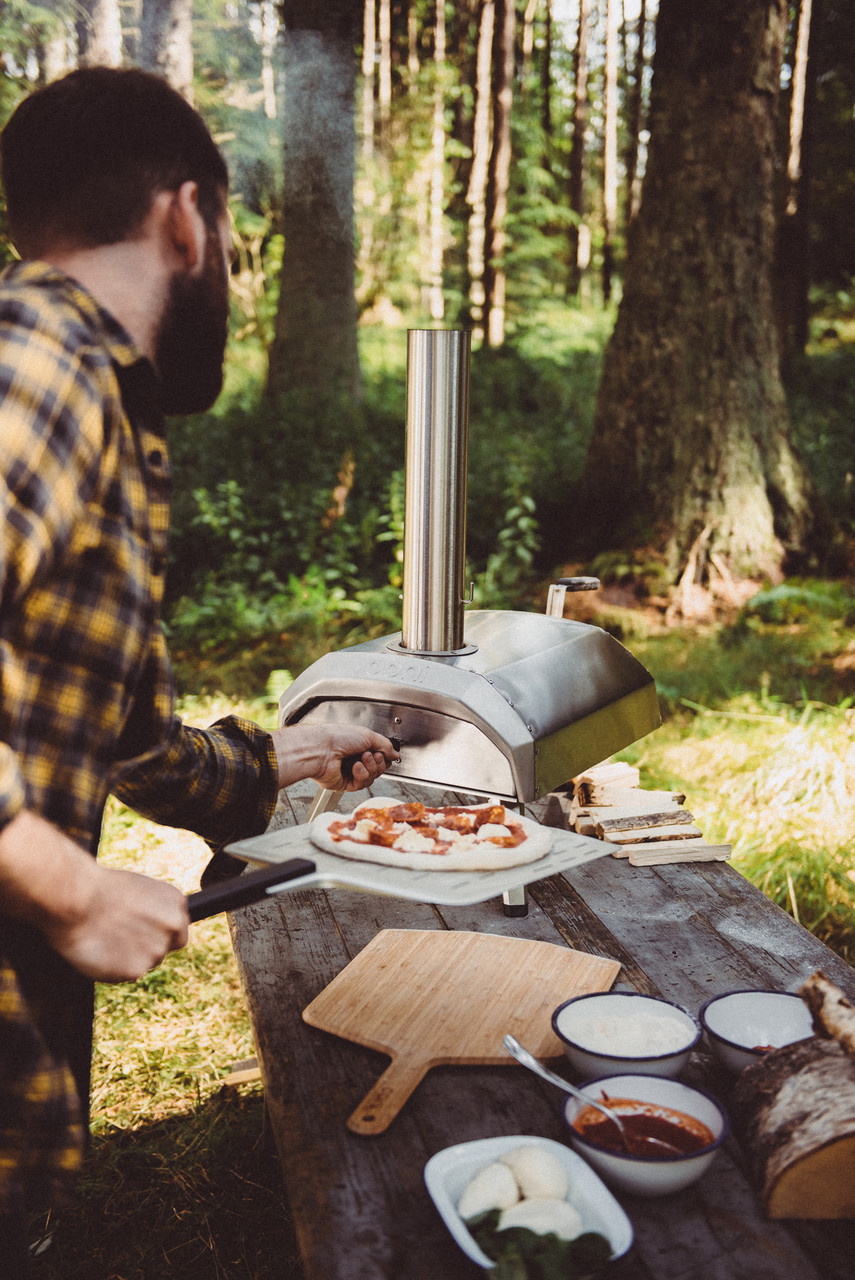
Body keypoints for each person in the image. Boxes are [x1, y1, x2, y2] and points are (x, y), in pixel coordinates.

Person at [0, 66, 396, 1272]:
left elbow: (113, 733)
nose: (233, 269)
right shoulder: (39, 372)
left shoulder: (92, 395)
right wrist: (67, 885)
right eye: (231, 237)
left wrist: (285, 757)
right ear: (186, 218)